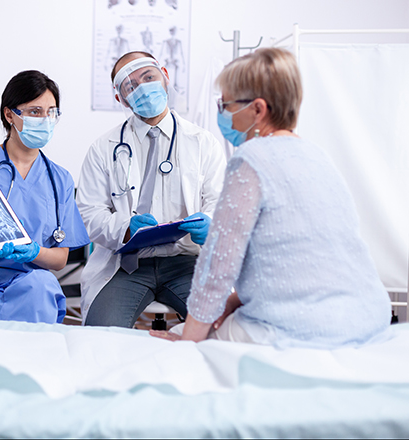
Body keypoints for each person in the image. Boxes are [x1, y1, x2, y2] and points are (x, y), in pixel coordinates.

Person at [151, 47, 391, 348]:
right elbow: (306, 259)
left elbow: (217, 268)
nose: (221, 112)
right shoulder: (318, 156)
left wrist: (185, 340)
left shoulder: (250, 160)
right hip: (367, 318)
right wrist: (234, 302)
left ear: (258, 110)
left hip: (299, 327)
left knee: (181, 338)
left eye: (224, 104)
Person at [76, 51, 227, 328]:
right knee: (100, 336)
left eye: (148, 77)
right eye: (130, 86)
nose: (143, 89)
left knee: (222, 326)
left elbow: (219, 201)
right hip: (126, 265)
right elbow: (89, 213)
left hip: (187, 262)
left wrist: (212, 224)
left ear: (165, 76)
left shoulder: (204, 143)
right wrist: (125, 228)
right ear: (120, 98)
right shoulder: (102, 148)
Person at [0, 70, 90, 324]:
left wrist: (34, 252)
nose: (45, 119)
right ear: (9, 114)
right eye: (35, 112)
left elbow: (60, 260)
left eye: (51, 112)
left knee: (40, 286)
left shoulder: (60, 179)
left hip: (29, 279)